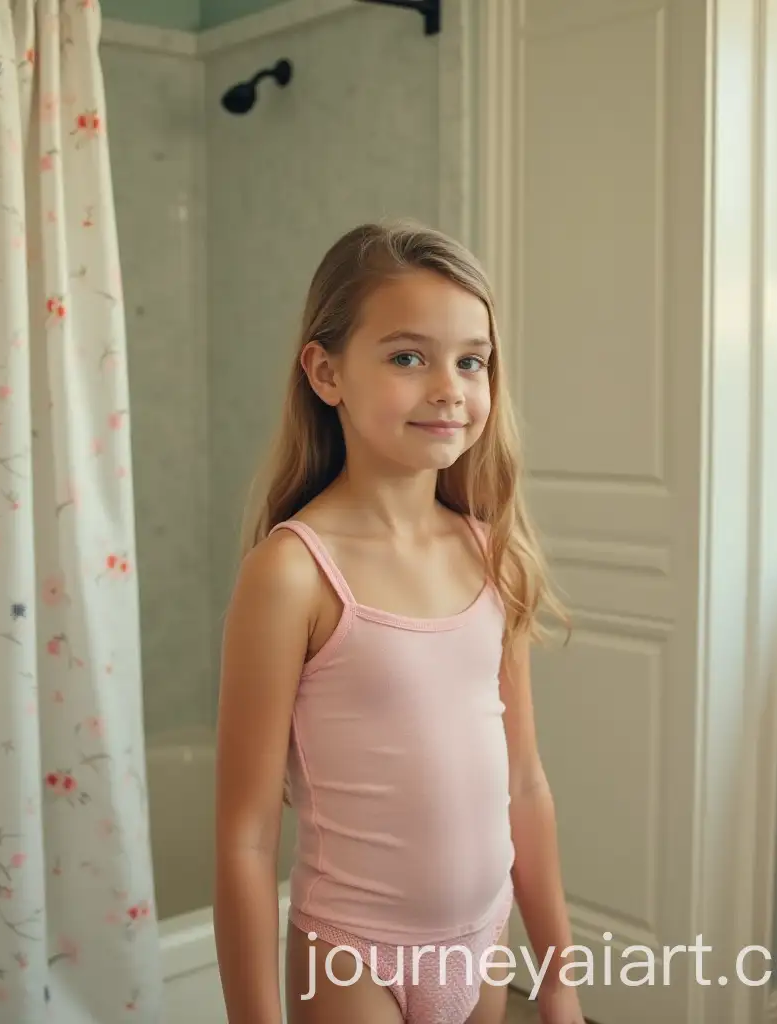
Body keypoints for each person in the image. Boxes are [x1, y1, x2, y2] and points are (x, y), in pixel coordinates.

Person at [213, 220, 584, 1024]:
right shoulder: (293, 572)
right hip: (354, 956)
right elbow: (244, 838)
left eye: (471, 361)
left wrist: (557, 974)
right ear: (326, 371)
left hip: (484, 943)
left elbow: (525, 782)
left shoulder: (495, 556)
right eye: (408, 357)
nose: (449, 386)